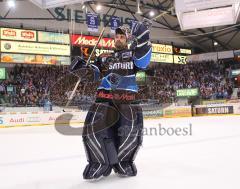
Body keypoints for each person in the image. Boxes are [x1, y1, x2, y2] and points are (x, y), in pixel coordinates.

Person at [70, 20, 152, 180]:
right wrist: (82, 69)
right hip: (104, 100)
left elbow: (143, 62)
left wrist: (142, 36)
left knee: (129, 133)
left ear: (127, 40)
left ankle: (123, 162)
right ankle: (99, 163)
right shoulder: (104, 57)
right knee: (94, 132)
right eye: (117, 36)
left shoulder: (133, 55)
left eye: (122, 36)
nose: (119, 38)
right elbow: (92, 74)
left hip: (127, 101)